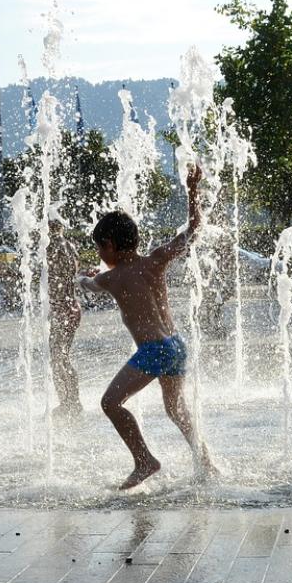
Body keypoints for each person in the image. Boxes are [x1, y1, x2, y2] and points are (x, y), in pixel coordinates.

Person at [77, 165, 215, 490]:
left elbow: (90, 285)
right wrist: (192, 189)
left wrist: (78, 278)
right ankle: (206, 462)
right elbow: (195, 228)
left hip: (154, 350)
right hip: (176, 345)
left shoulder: (111, 278)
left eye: (100, 247)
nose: (100, 254)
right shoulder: (156, 259)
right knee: (176, 408)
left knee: (110, 403)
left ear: (109, 245)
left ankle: (144, 461)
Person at [47, 219, 83, 418]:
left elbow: (48, 276)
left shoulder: (53, 247)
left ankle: (69, 402)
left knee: (58, 358)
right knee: (61, 357)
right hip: (70, 307)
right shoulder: (70, 246)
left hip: (62, 310)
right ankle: (71, 401)